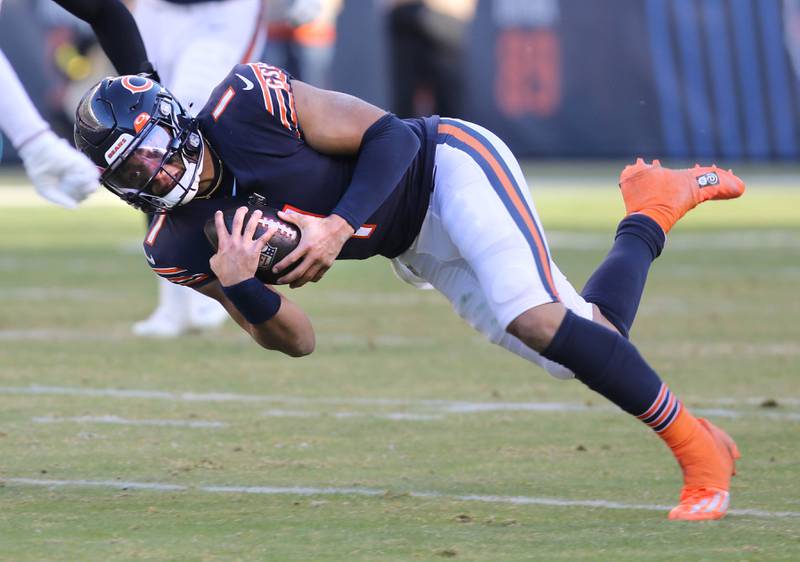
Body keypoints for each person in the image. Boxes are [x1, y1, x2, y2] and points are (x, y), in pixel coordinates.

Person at [73, 66, 745, 520]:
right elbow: (298, 341)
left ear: (175, 121)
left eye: (152, 148)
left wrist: (336, 228)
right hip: (411, 243)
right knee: (584, 345)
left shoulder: (246, 102)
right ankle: (652, 210)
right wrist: (242, 286)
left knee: (533, 317)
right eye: (132, 169)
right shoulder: (177, 243)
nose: (153, 170)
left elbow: (390, 134)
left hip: (447, 166)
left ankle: (701, 455)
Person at [128, 0, 268, 337]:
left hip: (221, 12)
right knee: (150, 140)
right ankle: (173, 295)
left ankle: (217, 276)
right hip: (156, 11)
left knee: (197, 129)